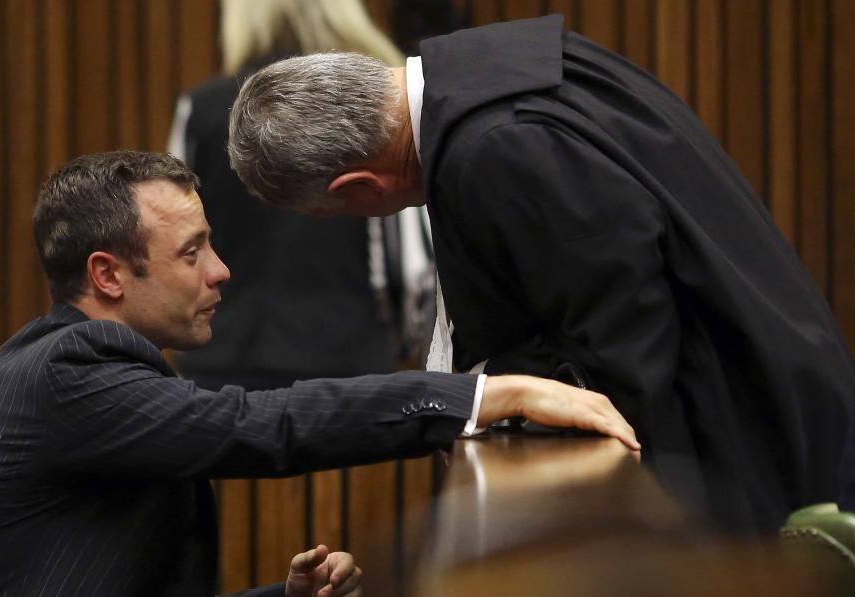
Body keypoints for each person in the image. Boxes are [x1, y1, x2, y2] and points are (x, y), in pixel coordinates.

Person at [0, 150, 637, 596]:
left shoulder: (95, 375)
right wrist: (488, 393)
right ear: (108, 275)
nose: (220, 271)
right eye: (192, 253)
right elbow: (262, 424)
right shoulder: (69, 368)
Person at [226, 15, 855, 533]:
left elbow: (625, 329)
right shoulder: (486, 66)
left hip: (742, 428)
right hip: (783, 358)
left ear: (359, 186)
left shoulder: (495, 148)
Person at [167, 0, 434, 391]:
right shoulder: (373, 107)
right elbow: (410, 260)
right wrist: (407, 340)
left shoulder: (201, 109)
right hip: (350, 366)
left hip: (221, 365)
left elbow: (174, 233)